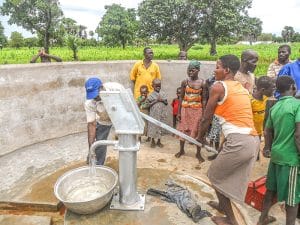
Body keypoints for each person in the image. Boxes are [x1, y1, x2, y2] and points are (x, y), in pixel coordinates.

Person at [197, 55, 259, 225]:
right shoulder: (240, 87)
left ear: (226, 70)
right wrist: (223, 145)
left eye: (217, 66)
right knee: (224, 176)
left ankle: (231, 220)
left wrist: (199, 138)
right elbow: (235, 121)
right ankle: (222, 205)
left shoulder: (218, 87)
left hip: (239, 142)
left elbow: (206, 118)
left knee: (215, 176)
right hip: (252, 141)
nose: (214, 70)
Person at [257, 76, 300, 225]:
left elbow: (267, 131)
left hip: (276, 155)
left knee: (270, 191)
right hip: (291, 159)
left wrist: (267, 148)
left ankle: (262, 219)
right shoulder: (297, 105)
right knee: (292, 197)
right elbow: (298, 135)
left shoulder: (275, 107)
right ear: (293, 87)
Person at [84, 77, 124, 165]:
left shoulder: (116, 89)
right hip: (104, 119)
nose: (94, 97)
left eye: (96, 94)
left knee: (125, 141)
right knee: (99, 143)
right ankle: (97, 166)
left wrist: (120, 128)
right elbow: (91, 125)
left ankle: (125, 166)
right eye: (92, 95)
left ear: (101, 87)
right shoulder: (90, 103)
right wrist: (91, 149)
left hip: (121, 115)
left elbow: (127, 106)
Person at [176, 60, 206, 163]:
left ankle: (198, 153)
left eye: (192, 70)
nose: (190, 72)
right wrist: (179, 112)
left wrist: (204, 114)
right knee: (183, 130)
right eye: (189, 70)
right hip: (185, 109)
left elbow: (204, 99)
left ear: (198, 70)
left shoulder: (203, 83)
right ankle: (181, 150)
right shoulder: (185, 82)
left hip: (197, 110)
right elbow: (181, 97)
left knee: (197, 131)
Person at [145, 79, 168, 148]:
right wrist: (156, 100)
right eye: (156, 86)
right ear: (152, 86)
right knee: (153, 127)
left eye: (159, 86)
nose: (158, 87)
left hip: (161, 114)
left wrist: (162, 100)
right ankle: (152, 141)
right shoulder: (150, 95)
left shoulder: (163, 94)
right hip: (153, 114)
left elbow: (166, 103)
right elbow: (147, 105)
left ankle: (158, 141)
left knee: (160, 127)